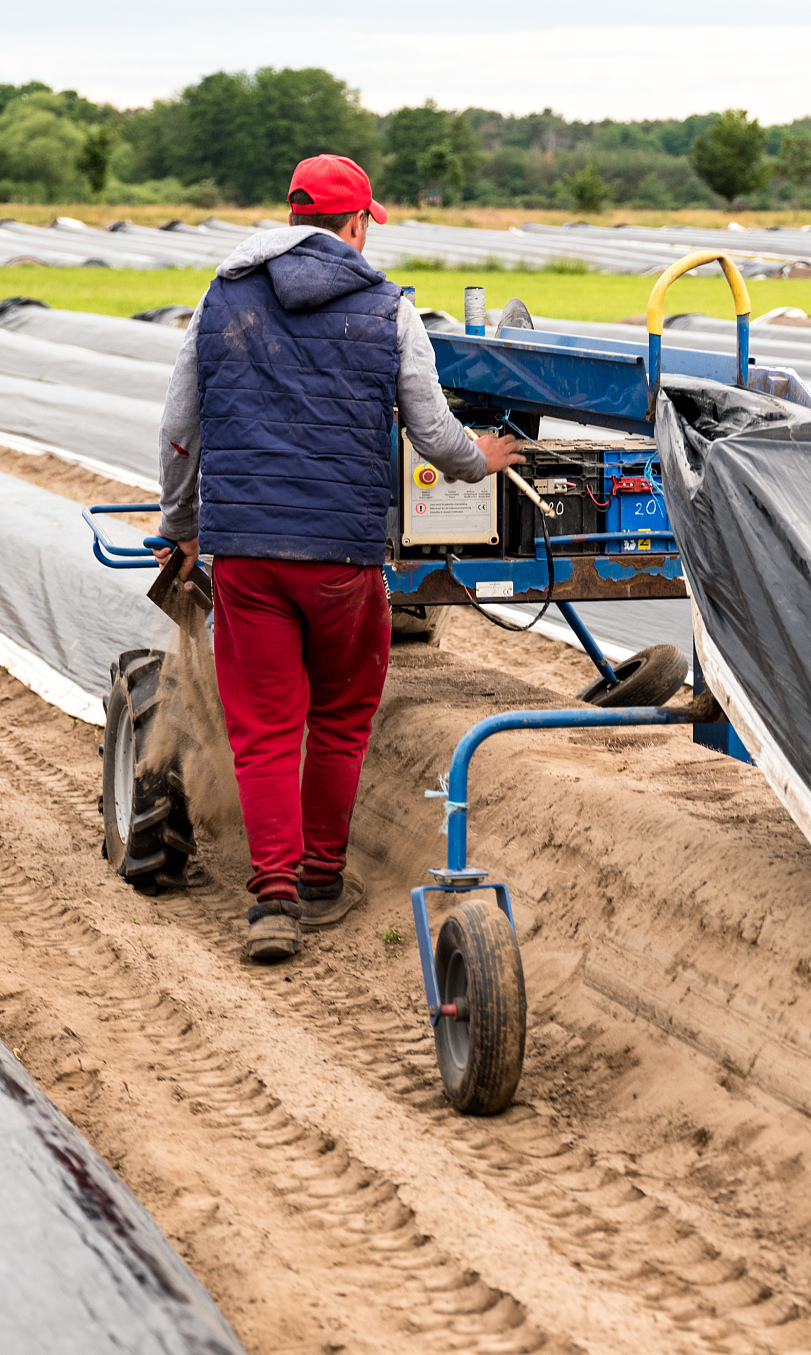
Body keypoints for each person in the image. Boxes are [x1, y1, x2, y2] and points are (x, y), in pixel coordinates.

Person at [153, 153, 524, 963]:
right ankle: (322, 879)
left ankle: (274, 902)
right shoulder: (390, 309)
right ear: (356, 226)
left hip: (247, 554)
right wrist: (480, 460)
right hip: (343, 558)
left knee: (265, 728)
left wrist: (181, 522)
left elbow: (180, 429)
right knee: (341, 719)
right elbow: (432, 436)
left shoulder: (220, 299)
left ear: (292, 223)